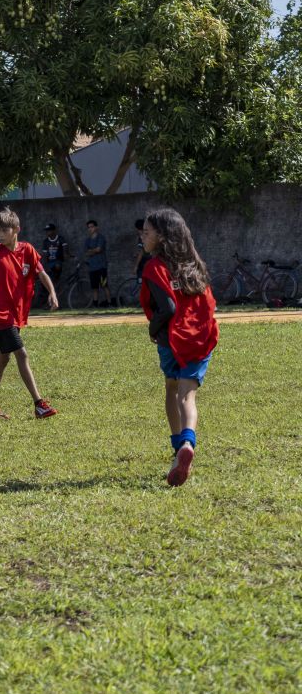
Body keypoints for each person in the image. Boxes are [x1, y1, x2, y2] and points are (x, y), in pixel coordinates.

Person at [139, 209, 218, 487]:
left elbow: (168, 307)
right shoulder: (194, 264)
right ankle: (187, 443)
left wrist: (152, 328)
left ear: (160, 237)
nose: (142, 236)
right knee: (188, 397)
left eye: (146, 232)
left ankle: (178, 450)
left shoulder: (154, 267)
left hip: (171, 340)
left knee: (172, 391)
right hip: (200, 337)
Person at [0, 207, 59, 420]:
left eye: (4, 230)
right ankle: (39, 403)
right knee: (21, 354)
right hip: (0, 314)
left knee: (2, 359)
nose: (0, 234)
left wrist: (52, 292)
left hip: (15, 314)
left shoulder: (28, 250)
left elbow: (41, 273)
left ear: (16, 230)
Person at [39, 223, 68, 308]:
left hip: (58, 264)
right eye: (47, 231)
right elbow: (44, 256)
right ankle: (49, 303)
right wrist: (44, 267)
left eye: (49, 230)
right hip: (49, 265)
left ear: (54, 230)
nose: (48, 232)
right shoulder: (46, 242)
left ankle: (51, 303)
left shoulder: (60, 239)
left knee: (54, 282)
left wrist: (68, 256)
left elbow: (65, 251)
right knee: (49, 285)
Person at [84, 220, 110, 306]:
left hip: (101, 266)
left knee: (104, 286)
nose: (90, 229)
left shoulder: (101, 238)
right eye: (88, 227)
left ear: (96, 227)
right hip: (92, 267)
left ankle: (109, 303)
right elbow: (86, 252)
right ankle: (95, 305)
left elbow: (99, 249)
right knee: (94, 287)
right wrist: (94, 251)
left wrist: (92, 251)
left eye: (92, 227)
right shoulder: (87, 240)